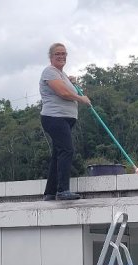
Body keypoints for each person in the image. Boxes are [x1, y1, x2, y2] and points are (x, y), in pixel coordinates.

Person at [39, 42, 91, 201]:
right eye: (57, 54)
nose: (61, 56)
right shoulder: (49, 71)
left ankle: (50, 192)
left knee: (58, 153)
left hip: (64, 120)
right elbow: (62, 92)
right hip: (55, 118)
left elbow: (63, 85)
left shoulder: (60, 74)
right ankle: (62, 190)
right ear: (51, 57)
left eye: (64, 54)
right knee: (67, 150)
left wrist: (69, 80)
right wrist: (80, 98)